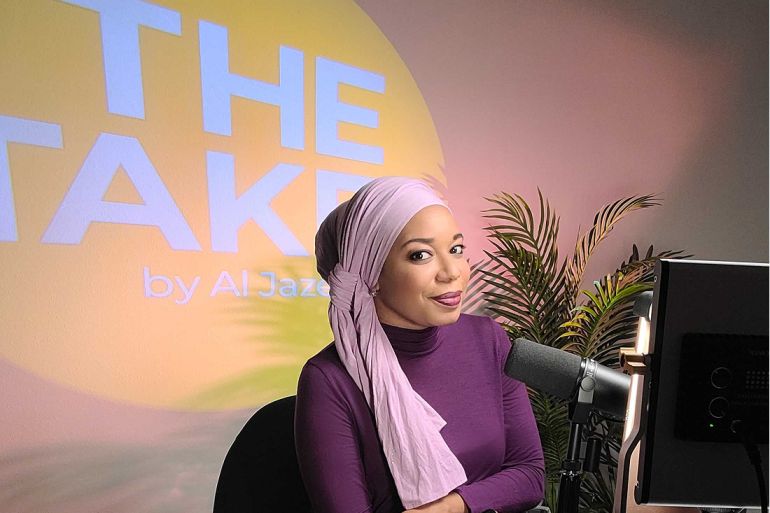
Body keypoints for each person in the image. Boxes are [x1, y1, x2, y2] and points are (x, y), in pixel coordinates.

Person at [295, 177, 544, 513]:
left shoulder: (488, 339)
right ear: (372, 273)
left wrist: (452, 507)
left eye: (456, 249)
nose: (452, 272)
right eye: (420, 255)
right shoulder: (328, 379)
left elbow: (529, 476)